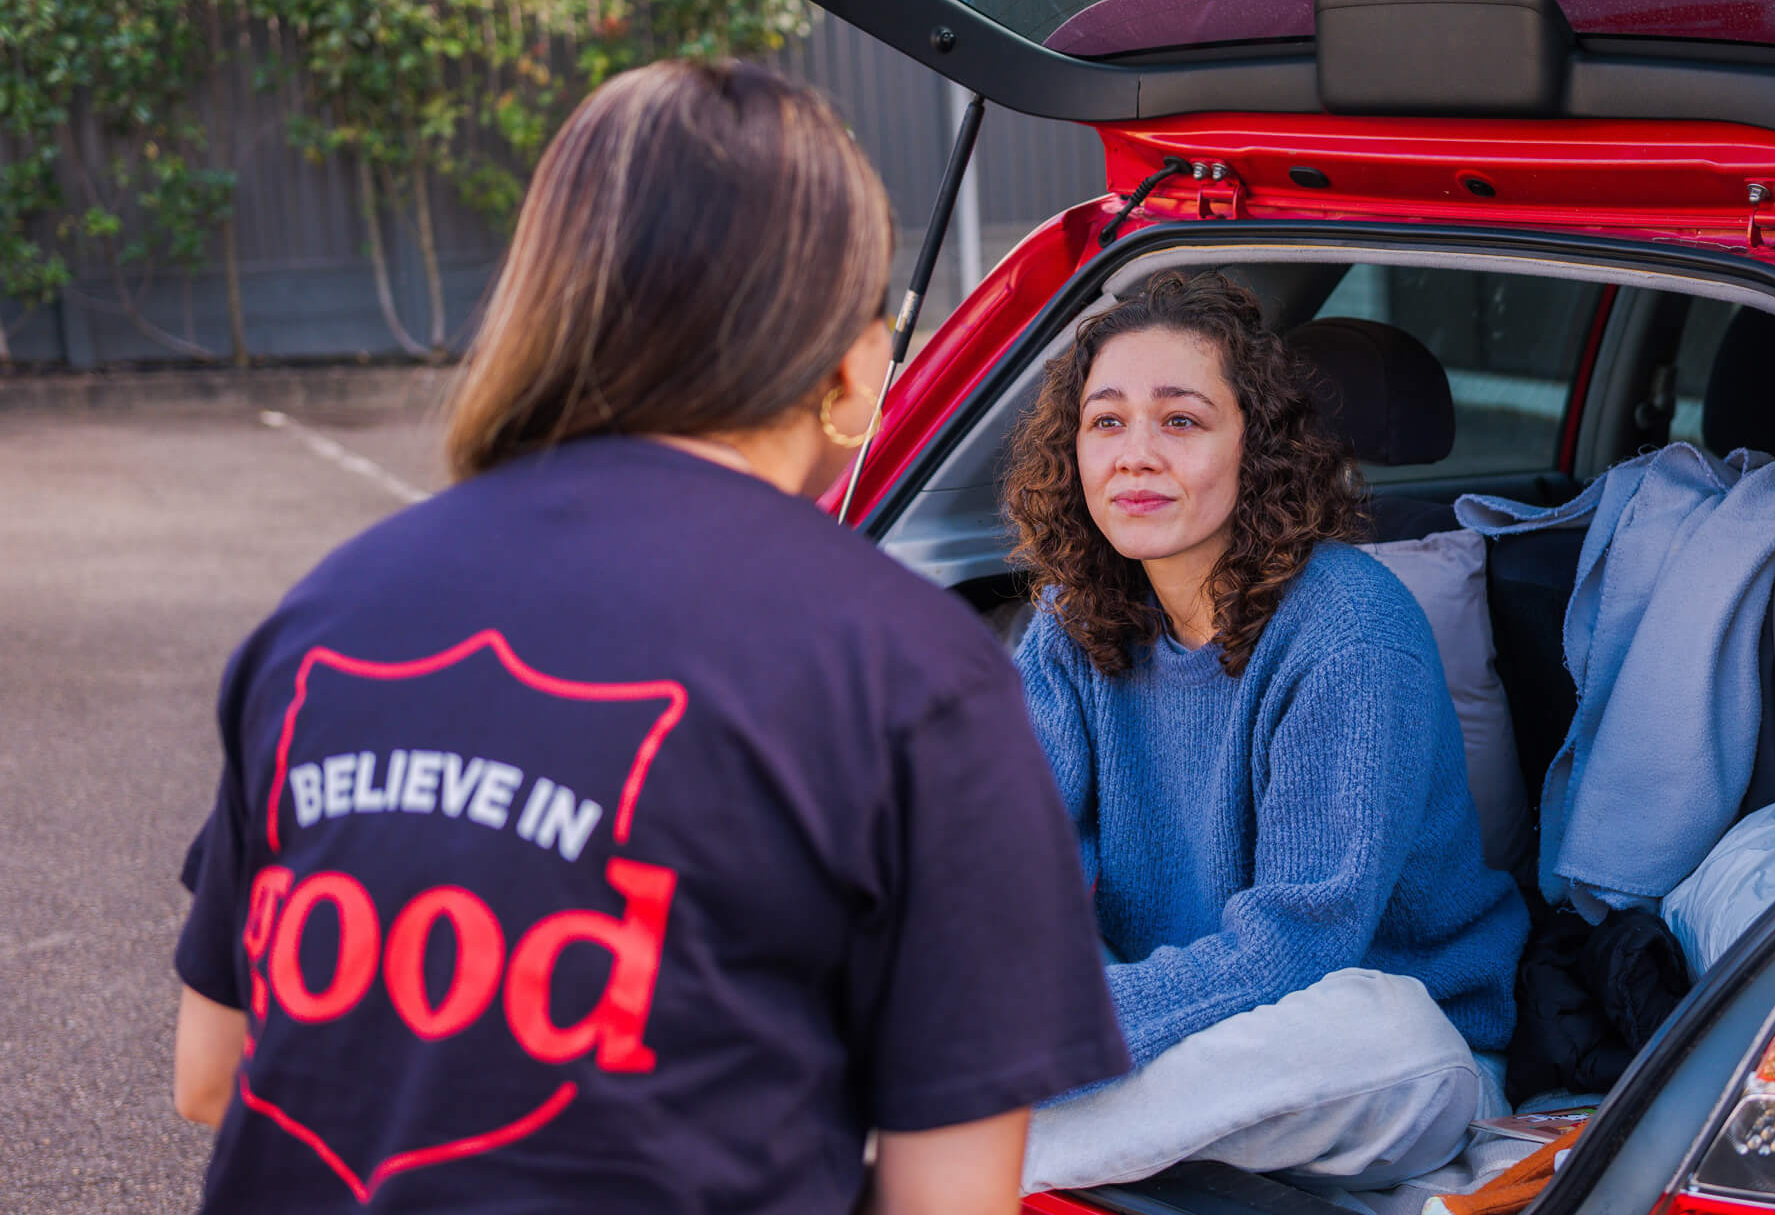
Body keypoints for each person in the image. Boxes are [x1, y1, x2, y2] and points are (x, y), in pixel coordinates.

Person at [169, 59, 1128, 1214]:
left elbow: (212, 1071)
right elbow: (946, 1199)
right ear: (851, 363)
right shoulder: (914, 671)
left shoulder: (329, 610)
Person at [1002, 270, 1529, 1194]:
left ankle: (928, 1148)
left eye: (1181, 421)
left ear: (1259, 451)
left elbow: (1301, 941)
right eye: (1106, 420)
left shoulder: (1348, 629)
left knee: (1373, 1022)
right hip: (1155, 1028)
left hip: (1376, 1055)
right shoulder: (1068, 623)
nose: (1133, 455)